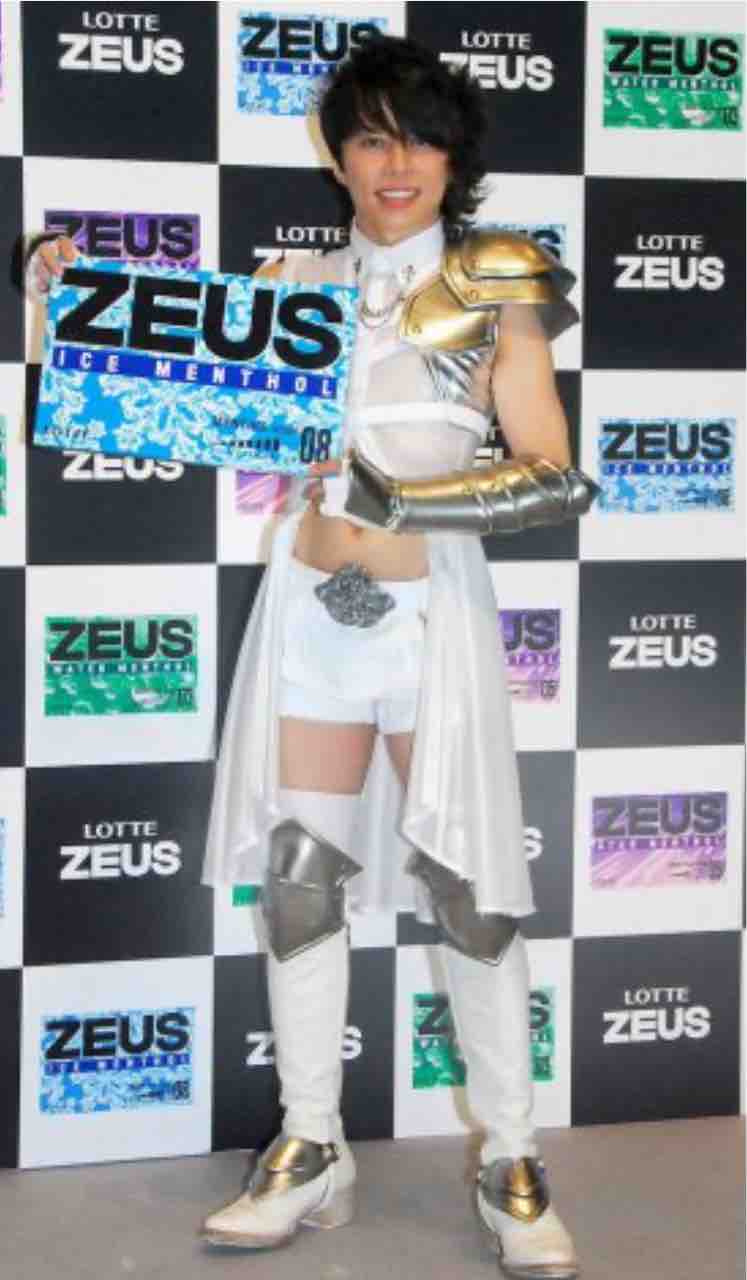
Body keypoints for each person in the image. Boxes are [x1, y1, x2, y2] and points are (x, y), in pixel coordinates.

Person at [31, 35, 595, 1278]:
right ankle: (311, 1145)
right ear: (337, 156)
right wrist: (62, 283)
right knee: (298, 874)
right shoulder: (296, 281)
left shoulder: (499, 279)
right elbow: (160, 365)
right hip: (308, 612)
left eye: (421, 138)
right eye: (372, 137)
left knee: (470, 887)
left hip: (431, 611)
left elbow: (555, 472)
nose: (397, 163)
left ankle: (511, 1159)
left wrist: (408, 502)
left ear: (454, 157)